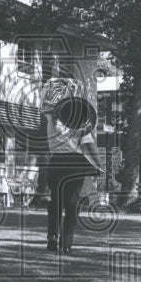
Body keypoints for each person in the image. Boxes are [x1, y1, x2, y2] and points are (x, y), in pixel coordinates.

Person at [43, 95, 103, 253]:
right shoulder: (82, 129)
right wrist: (100, 165)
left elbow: (48, 109)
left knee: (55, 202)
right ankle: (66, 243)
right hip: (75, 164)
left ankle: (52, 237)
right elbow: (91, 148)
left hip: (55, 163)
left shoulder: (52, 123)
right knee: (72, 204)